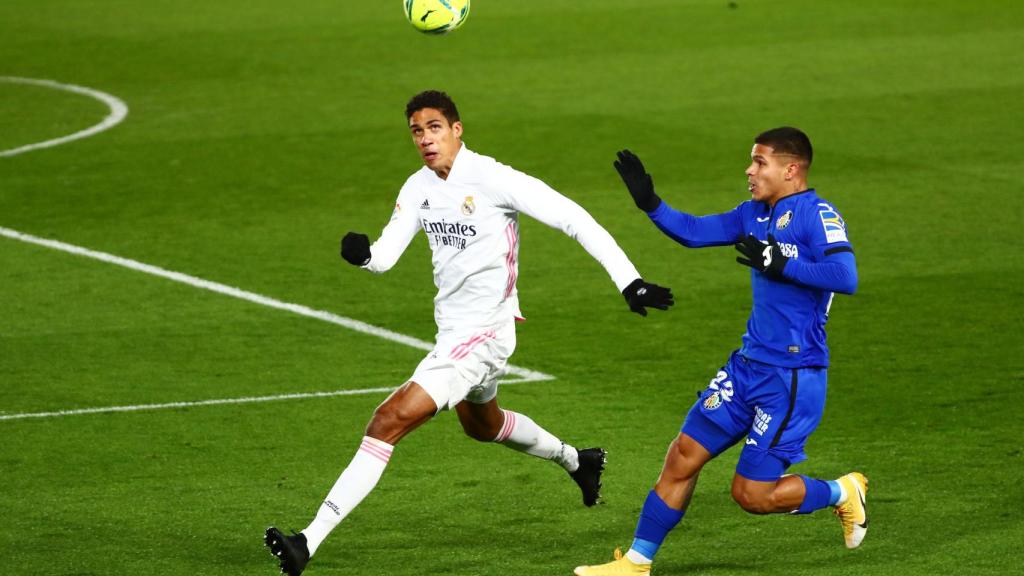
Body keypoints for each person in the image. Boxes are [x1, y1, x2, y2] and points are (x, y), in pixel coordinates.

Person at [264, 90, 674, 576]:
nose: (425, 139)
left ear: (457, 129)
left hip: (486, 334)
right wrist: (364, 255)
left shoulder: (493, 178)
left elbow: (573, 218)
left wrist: (629, 281)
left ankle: (307, 541)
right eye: (417, 131)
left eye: (434, 127)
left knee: (386, 421)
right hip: (452, 333)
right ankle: (576, 461)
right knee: (482, 425)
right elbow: (386, 256)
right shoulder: (417, 187)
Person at [573, 127, 866, 576]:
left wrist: (781, 263)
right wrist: (651, 203)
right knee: (683, 455)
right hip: (747, 368)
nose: (749, 170)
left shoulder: (817, 214)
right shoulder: (753, 214)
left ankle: (842, 491)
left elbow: (846, 276)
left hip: (791, 377)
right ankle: (636, 564)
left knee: (751, 495)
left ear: (791, 169)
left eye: (760, 162)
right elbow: (693, 232)